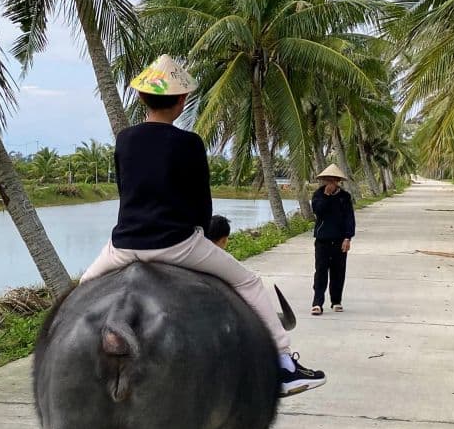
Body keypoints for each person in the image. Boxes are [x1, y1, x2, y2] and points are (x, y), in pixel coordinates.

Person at [81, 55, 325, 396]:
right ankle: (284, 366)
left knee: (82, 289)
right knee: (250, 282)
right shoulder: (189, 144)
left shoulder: (125, 140)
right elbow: (201, 206)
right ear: (182, 102)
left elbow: (127, 193)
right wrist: (196, 231)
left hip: (124, 246)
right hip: (177, 244)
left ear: (140, 98)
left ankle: (78, 363)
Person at [311, 163, 355, 314]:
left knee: (338, 271)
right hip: (322, 239)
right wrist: (327, 196)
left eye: (333, 180)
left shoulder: (345, 197)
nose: (330, 183)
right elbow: (318, 211)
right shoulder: (318, 195)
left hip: (339, 240)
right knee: (320, 271)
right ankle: (317, 303)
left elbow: (349, 218)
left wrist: (348, 238)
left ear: (338, 181)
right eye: (327, 180)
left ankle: (336, 301)